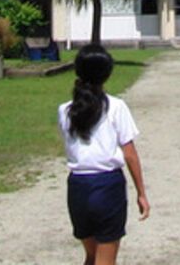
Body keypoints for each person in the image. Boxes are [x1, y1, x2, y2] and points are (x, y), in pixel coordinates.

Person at [58, 44, 150, 265]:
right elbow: (129, 153)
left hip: (78, 187)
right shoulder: (116, 107)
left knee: (91, 256)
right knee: (106, 259)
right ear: (107, 74)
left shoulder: (65, 110)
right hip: (107, 186)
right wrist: (141, 193)